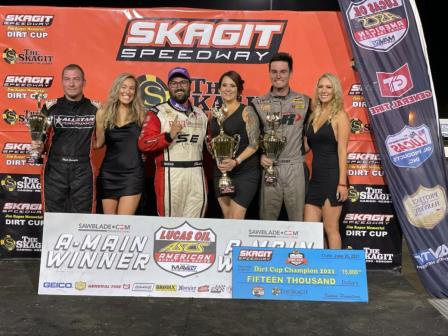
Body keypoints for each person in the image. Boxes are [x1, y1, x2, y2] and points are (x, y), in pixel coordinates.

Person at [138, 67, 208, 218]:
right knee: (170, 227)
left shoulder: (201, 114)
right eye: (174, 83)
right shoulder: (158, 112)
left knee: (196, 226)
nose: (179, 86)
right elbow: (144, 143)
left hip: (196, 172)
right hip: (170, 173)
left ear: (190, 85)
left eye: (183, 82)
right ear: (168, 87)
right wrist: (169, 136)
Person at [31, 64, 99, 213]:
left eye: (76, 79)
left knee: (84, 220)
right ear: (62, 82)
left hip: (83, 169)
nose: (72, 83)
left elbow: (103, 140)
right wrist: (38, 146)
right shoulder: (50, 107)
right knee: (53, 218)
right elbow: (41, 139)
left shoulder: (96, 109)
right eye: (67, 79)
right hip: (55, 169)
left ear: (84, 82)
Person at [252, 52, 311, 221]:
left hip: (295, 168)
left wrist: (301, 151)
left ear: (291, 73)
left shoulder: (306, 102)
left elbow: (316, 134)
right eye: (274, 71)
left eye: (283, 71)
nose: (278, 76)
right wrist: (260, 156)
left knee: (299, 222)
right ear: (269, 73)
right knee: (267, 223)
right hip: (270, 167)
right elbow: (251, 138)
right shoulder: (257, 104)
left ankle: (300, 249)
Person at [304, 73, 350, 249]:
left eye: (328, 87)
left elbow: (342, 151)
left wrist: (342, 183)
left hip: (333, 178)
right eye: (321, 86)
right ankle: (319, 268)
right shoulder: (313, 115)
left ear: (335, 90)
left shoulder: (340, 116)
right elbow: (307, 146)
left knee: (331, 228)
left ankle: (336, 271)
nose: (324, 90)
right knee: (311, 230)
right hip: (315, 180)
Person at [209, 71, 260, 219]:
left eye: (232, 85)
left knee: (236, 216)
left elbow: (255, 144)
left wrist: (236, 161)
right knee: (227, 217)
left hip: (245, 172)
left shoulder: (247, 111)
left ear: (239, 90)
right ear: (219, 89)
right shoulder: (215, 114)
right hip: (222, 172)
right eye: (224, 85)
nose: (228, 89)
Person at [94, 73, 146, 215]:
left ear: (135, 92)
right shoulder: (103, 113)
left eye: (131, 88)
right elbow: (98, 143)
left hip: (133, 175)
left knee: (124, 224)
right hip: (108, 174)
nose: (127, 91)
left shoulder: (142, 114)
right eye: (123, 87)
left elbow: (147, 143)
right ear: (117, 89)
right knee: (109, 224)